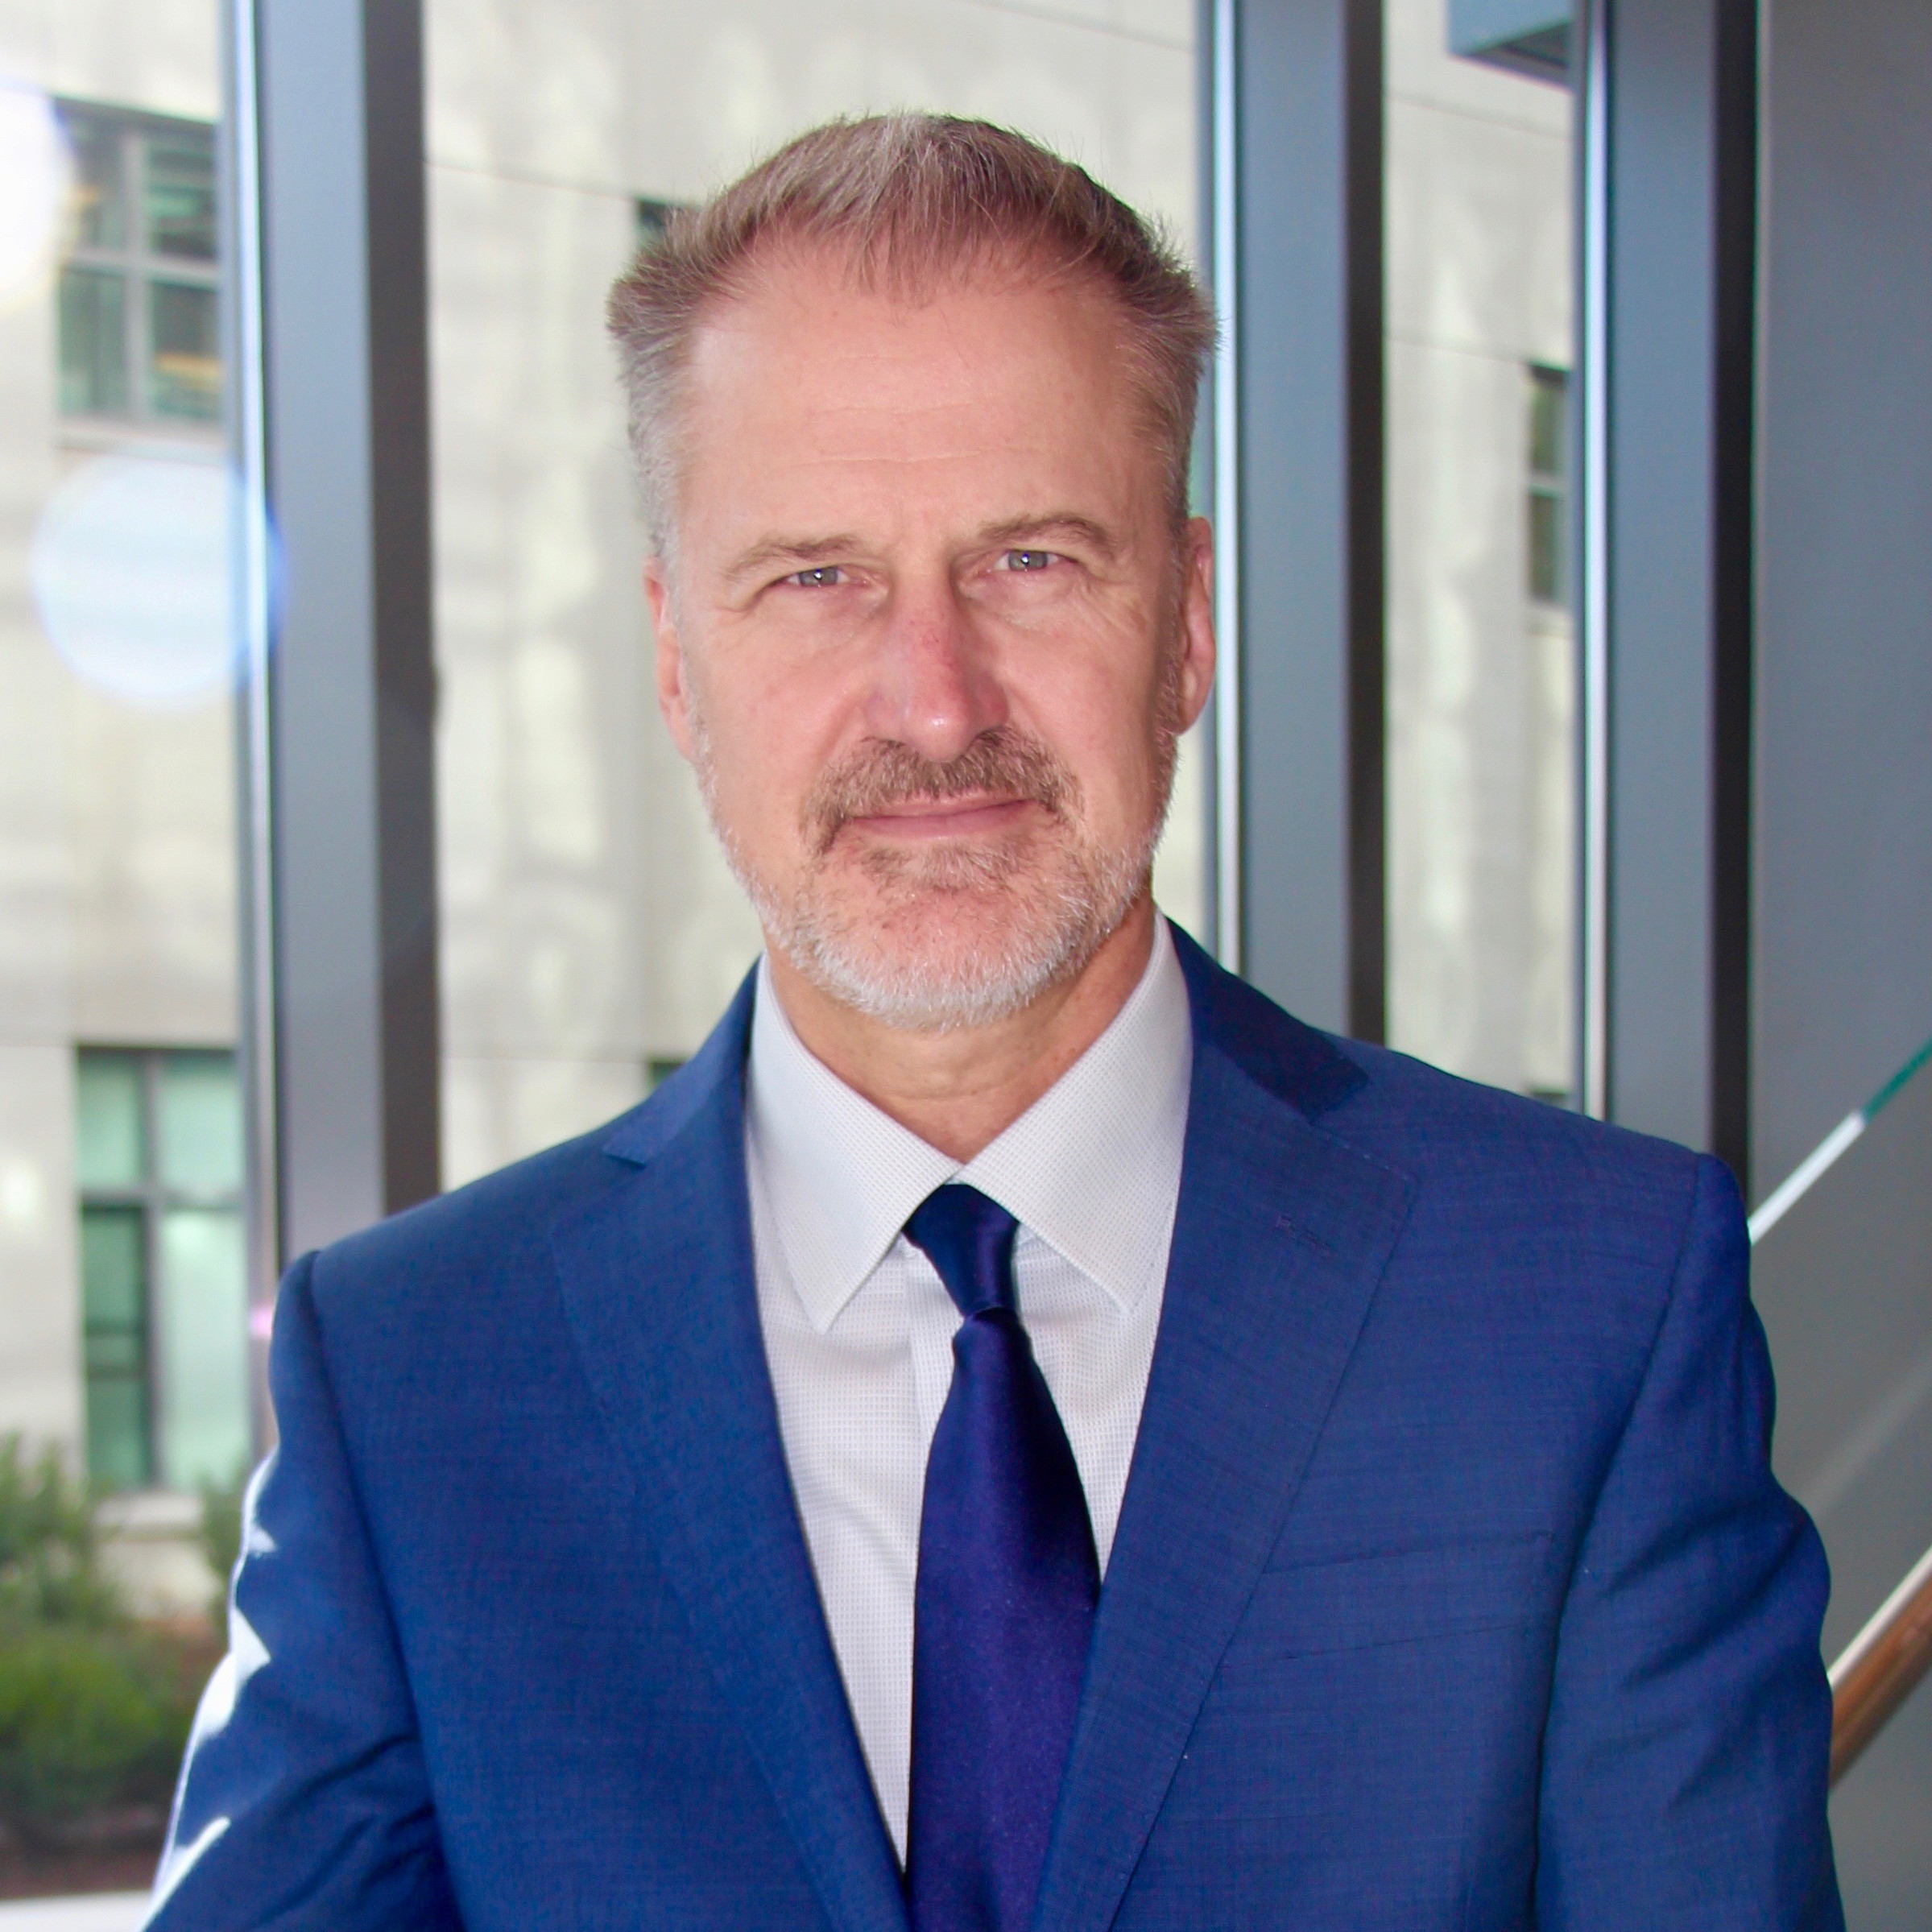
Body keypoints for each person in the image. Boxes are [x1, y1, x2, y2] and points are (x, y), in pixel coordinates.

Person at [148, 115, 1839, 1930]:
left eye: (1032, 559)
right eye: (817, 575)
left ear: (1185, 623)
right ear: (673, 659)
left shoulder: (1583, 1305)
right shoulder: (415, 1380)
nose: (936, 703)